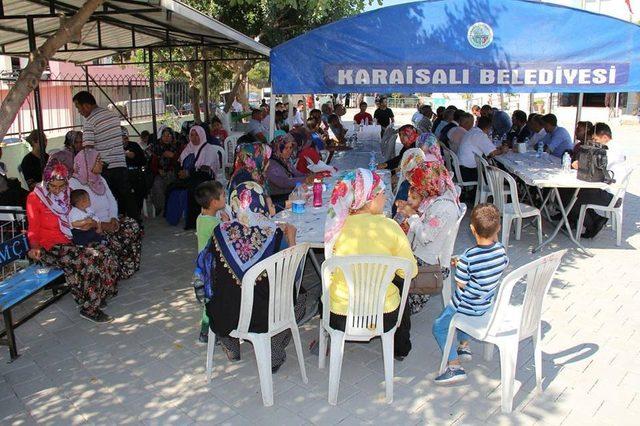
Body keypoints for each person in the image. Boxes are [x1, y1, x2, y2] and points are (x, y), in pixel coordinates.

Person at [205, 182, 305, 370]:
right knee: (300, 297)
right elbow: (295, 273)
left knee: (225, 291)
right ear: (260, 204)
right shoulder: (274, 234)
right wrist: (291, 239)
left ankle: (230, 341)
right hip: (266, 316)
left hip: (227, 312)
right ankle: (274, 347)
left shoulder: (219, 231)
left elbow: (209, 272)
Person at [325, 168, 418, 360]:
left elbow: (331, 271)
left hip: (339, 313)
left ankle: (328, 338)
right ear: (369, 198)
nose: (385, 199)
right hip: (383, 313)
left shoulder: (336, 228)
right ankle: (401, 348)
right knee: (401, 284)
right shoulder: (391, 227)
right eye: (382, 194)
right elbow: (410, 272)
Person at [27, 160, 119, 323]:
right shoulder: (35, 197)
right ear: (46, 181)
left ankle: (96, 294)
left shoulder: (68, 193)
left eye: (60, 186)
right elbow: (33, 227)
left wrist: (90, 224)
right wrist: (34, 247)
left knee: (104, 250)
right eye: (53, 186)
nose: (57, 190)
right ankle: (89, 308)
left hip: (72, 239)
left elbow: (79, 213)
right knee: (89, 258)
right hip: (51, 247)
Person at [433, 203, 508, 384]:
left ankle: (454, 366)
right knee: (462, 313)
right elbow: (495, 265)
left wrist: (459, 265)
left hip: (465, 305)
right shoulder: (501, 251)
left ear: (472, 229)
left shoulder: (468, 256)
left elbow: (460, 284)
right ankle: (464, 346)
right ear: (498, 227)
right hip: (484, 304)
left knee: (439, 327)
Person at [398, 161, 462, 314]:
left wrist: (413, 216)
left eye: (420, 186)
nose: (419, 189)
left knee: (388, 261)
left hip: (429, 266)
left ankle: (396, 309)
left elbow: (425, 237)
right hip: (426, 256)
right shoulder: (440, 196)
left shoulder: (444, 207)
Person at [70, 148, 143, 280]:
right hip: (92, 226)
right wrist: (103, 225)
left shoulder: (100, 179)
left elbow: (112, 200)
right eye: (98, 160)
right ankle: (115, 271)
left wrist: (114, 218)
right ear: (88, 163)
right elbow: (79, 214)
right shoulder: (75, 184)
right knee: (114, 238)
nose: (101, 163)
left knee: (132, 225)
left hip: (109, 220)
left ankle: (127, 267)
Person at [73, 91, 138, 221]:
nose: (79, 111)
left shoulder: (89, 122)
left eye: (78, 107)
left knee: (110, 200)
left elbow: (89, 151)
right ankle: (135, 225)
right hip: (120, 163)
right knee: (126, 197)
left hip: (104, 169)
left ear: (86, 106)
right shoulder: (113, 116)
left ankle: (114, 227)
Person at [569, 123, 628, 238]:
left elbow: (592, 167)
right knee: (574, 193)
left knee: (572, 196)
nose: (594, 143)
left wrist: (580, 164)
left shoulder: (610, 151)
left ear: (605, 137)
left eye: (595, 139)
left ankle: (591, 224)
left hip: (611, 195)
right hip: (608, 189)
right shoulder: (615, 148)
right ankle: (596, 219)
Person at [195, 180, 228, 343]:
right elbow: (225, 238)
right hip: (212, 268)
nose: (225, 197)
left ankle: (205, 332)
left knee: (209, 300)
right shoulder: (214, 223)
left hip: (202, 266)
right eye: (223, 195)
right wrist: (227, 223)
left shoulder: (201, 218)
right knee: (213, 300)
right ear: (214, 202)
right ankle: (208, 332)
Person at [177, 125, 220, 229]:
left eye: (197, 135)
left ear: (202, 135)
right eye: (191, 135)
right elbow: (180, 163)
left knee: (195, 188)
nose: (194, 137)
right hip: (191, 176)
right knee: (172, 187)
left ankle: (194, 222)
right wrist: (181, 172)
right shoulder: (189, 148)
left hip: (204, 177)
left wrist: (189, 173)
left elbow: (206, 170)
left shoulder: (208, 149)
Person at [458, 116, 508, 183]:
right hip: (468, 172)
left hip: (461, 168)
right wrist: (503, 150)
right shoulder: (480, 135)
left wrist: (498, 149)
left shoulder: (472, 131)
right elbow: (492, 153)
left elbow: (489, 148)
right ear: (489, 127)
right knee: (497, 177)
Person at [266, 134, 310, 210]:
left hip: (288, 196)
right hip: (278, 202)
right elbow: (284, 182)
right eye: (286, 148)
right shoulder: (271, 164)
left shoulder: (285, 161)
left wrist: (309, 176)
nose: (289, 151)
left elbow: (297, 174)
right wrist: (306, 179)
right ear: (278, 148)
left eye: (290, 148)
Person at [150, 126, 181, 215]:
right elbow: (152, 165)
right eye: (164, 135)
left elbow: (181, 162)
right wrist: (159, 170)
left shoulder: (177, 147)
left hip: (174, 173)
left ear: (172, 137)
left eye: (169, 135)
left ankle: (171, 207)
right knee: (157, 184)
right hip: (160, 173)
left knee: (171, 182)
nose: (166, 138)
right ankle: (162, 207)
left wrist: (173, 157)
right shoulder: (157, 147)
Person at [122, 127, 147, 219]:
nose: (124, 140)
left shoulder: (134, 145)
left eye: (125, 138)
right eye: (121, 138)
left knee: (139, 187)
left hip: (135, 173)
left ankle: (136, 214)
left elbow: (143, 161)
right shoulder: (115, 148)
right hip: (121, 175)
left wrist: (133, 156)